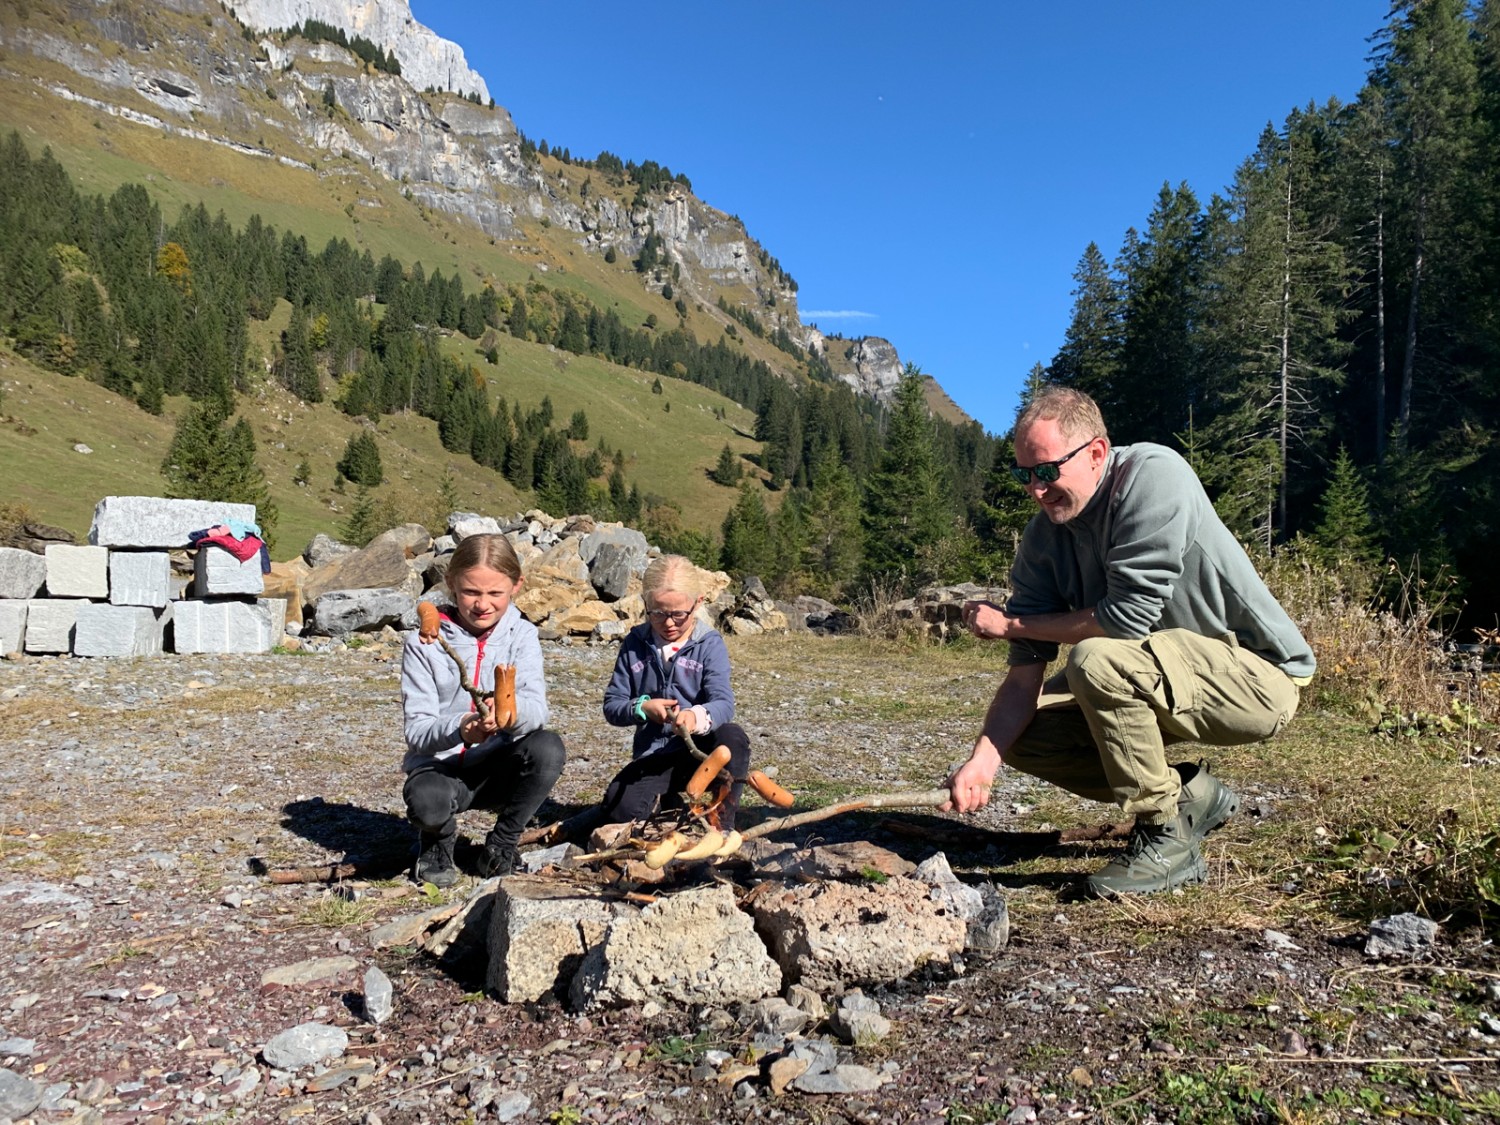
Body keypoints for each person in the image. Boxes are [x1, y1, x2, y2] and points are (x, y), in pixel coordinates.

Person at [946, 387, 1314, 895]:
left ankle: (1166, 836)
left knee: (1096, 659)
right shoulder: (1042, 542)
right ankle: (1187, 795)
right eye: (1023, 474)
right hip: (1157, 675)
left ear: (1096, 453)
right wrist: (983, 763)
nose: (1035, 488)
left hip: (1257, 676)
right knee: (1020, 733)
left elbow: (1126, 619)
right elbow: (1023, 676)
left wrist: (1012, 625)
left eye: (1047, 471)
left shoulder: (1153, 477)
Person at [400, 534, 566, 887]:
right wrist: (462, 727)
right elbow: (417, 731)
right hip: (440, 769)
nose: (482, 605)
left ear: (516, 586)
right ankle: (437, 842)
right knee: (427, 801)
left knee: (548, 748)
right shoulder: (423, 644)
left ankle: (502, 843)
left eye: (495, 594)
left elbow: (537, 710)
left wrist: (507, 714)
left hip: (498, 766)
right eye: (471, 592)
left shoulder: (521, 634)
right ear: (450, 584)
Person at [580, 554, 751, 835]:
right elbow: (613, 705)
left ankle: (722, 822)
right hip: (655, 756)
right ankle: (669, 805)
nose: (668, 623)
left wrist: (695, 717)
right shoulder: (635, 643)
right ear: (646, 605)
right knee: (618, 807)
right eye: (657, 613)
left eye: (678, 614)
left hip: (700, 752)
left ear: (698, 603)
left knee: (733, 737)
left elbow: (723, 703)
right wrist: (642, 708)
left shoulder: (709, 645)